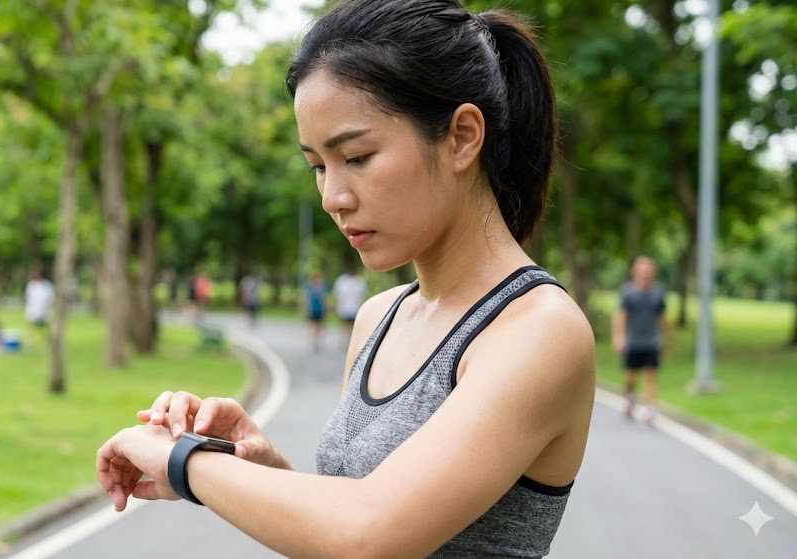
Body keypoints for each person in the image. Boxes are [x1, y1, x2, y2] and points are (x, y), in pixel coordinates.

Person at [96, 2, 595, 558]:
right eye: (318, 166)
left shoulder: (538, 330)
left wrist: (185, 462)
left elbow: (366, 535)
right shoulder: (379, 318)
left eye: (356, 157)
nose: (333, 197)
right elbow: (342, 529)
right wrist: (258, 466)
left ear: (461, 137)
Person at [612, 255, 672, 427]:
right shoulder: (628, 292)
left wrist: (667, 337)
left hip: (651, 341)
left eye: (648, 271)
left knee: (650, 375)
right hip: (633, 341)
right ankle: (629, 398)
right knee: (630, 377)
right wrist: (618, 336)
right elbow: (621, 316)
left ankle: (649, 409)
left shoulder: (657, 293)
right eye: (642, 270)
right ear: (635, 272)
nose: (645, 274)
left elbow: (662, 316)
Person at [332, 264, 368, 347]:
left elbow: (363, 295)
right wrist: (336, 306)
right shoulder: (341, 280)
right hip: (344, 307)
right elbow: (337, 294)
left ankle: (351, 341)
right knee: (345, 325)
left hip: (355, 307)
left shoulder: (359, 280)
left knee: (354, 325)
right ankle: (345, 340)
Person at [303, 271, 330, 351]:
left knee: (320, 326)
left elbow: (324, 299)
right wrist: (304, 308)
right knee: (313, 326)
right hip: (312, 310)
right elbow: (306, 299)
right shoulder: (310, 287)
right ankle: (313, 342)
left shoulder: (322, 287)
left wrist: (326, 308)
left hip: (320, 310)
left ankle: (316, 341)